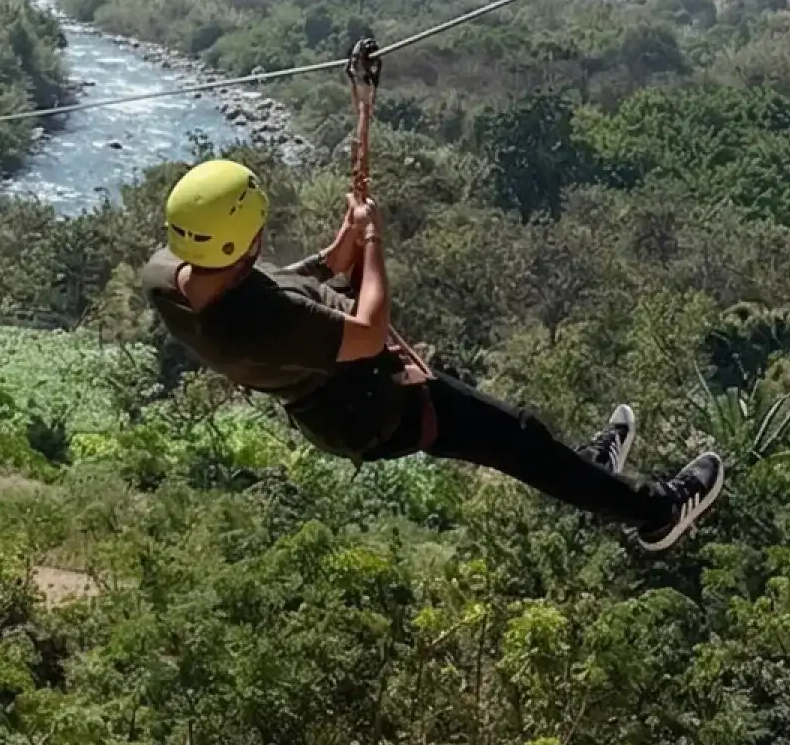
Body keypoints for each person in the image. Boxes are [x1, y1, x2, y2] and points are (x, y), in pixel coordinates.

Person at [144, 156, 725, 548]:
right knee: (519, 439)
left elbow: (283, 284)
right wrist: (372, 239)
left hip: (350, 395)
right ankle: (657, 512)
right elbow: (368, 330)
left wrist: (338, 249)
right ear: (246, 244)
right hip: (375, 406)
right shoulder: (255, 326)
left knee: (519, 437)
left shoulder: (169, 278)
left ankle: (593, 472)